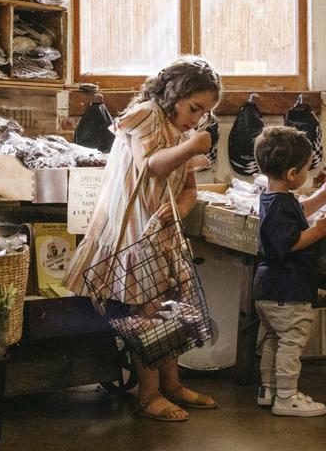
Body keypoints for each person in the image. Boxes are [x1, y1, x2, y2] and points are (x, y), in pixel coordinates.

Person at [62, 56, 221, 422]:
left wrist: (179, 209)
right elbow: (151, 163)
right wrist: (193, 145)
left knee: (169, 308)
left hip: (163, 231)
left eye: (204, 113)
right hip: (133, 228)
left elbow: (189, 189)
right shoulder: (147, 115)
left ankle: (172, 383)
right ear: (174, 94)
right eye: (194, 108)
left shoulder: (185, 132)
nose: (197, 119)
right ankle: (148, 395)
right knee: (146, 310)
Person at [251, 126, 326, 417]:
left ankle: (269, 390)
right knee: (291, 340)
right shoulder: (282, 205)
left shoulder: (274, 199)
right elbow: (291, 242)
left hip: (268, 289)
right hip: (287, 288)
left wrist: (325, 194)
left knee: (274, 339)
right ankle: (287, 397)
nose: (307, 175)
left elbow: (299, 212)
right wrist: (320, 230)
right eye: (305, 170)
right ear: (291, 174)